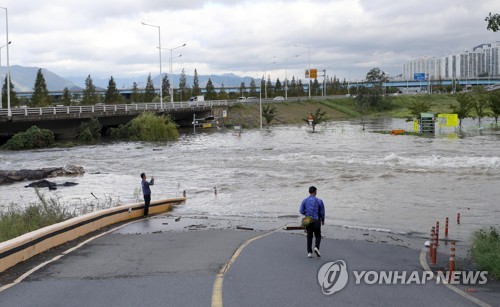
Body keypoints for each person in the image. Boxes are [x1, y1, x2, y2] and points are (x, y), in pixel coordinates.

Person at [299, 186, 325, 258]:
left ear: (309, 192)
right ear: (315, 192)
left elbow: (301, 211)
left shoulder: (305, 200)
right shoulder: (319, 201)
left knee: (309, 236)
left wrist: (307, 214)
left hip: (308, 221)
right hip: (316, 221)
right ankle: (316, 247)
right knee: (318, 235)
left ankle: (309, 252)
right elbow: (322, 212)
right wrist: (322, 220)